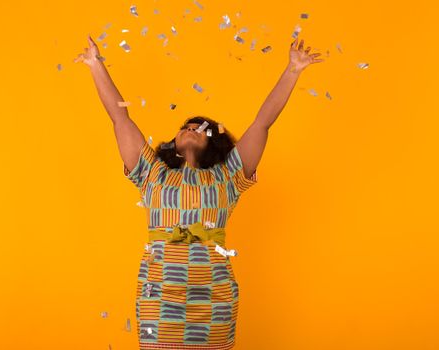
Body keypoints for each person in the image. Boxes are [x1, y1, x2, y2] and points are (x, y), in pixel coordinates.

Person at [75, 34, 323, 350]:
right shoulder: (151, 171)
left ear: (213, 142)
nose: (191, 128)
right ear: (173, 141)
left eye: (199, 127)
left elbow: (262, 124)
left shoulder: (229, 174)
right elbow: (119, 117)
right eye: (186, 127)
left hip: (214, 292)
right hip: (160, 292)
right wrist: (96, 65)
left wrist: (293, 70)